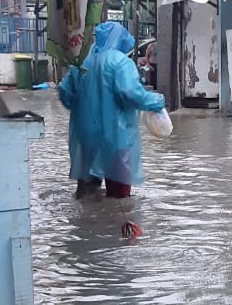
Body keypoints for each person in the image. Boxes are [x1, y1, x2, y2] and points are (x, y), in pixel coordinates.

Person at [58, 21, 165, 200]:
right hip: (116, 136)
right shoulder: (120, 62)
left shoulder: (81, 62)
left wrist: (81, 109)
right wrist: (156, 101)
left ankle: (86, 225)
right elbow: (130, 93)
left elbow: (64, 91)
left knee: (86, 194)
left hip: (86, 136)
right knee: (119, 195)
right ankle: (114, 225)